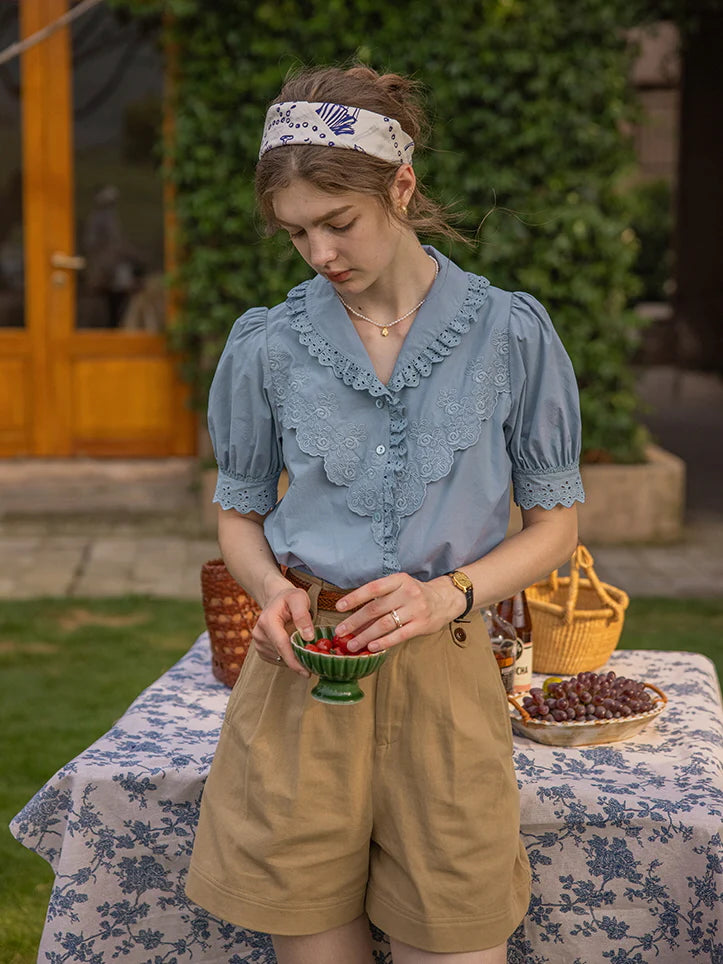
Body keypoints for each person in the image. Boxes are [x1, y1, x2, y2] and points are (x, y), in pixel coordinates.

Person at [186, 65, 585, 964]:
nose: (321, 254)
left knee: (455, 943)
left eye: (339, 222)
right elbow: (240, 515)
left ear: (399, 187)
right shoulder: (267, 343)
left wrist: (452, 595)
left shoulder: (512, 334)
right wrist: (267, 593)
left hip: (447, 680)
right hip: (299, 681)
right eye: (296, 233)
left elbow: (556, 527)